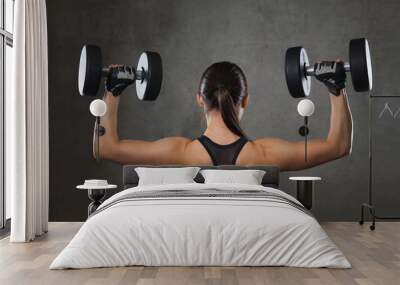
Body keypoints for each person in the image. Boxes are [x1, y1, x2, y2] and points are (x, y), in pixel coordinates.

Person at [96, 61, 352, 171]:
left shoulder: (179, 153)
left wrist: (113, 91)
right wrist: (336, 88)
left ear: (199, 100)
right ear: (246, 100)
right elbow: (338, 147)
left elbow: (106, 148)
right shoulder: (263, 155)